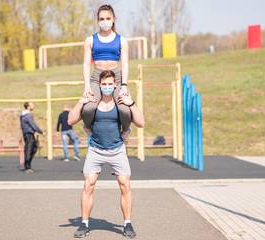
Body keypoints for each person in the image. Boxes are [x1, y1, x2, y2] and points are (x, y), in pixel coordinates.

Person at [68, 70, 145, 239]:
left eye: (111, 84)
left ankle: (127, 224)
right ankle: (84, 224)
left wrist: (131, 103)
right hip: (96, 150)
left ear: (115, 85)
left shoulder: (120, 103)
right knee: (88, 185)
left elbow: (141, 123)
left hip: (117, 150)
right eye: (105, 84)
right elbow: (70, 120)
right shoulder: (93, 103)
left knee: (125, 186)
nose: (108, 87)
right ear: (99, 85)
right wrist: (81, 102)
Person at [81, 4, 132, 140]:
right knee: (88, 108)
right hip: (97, 77)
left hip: (116, 77)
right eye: (101, 19)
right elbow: (86, 64)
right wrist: (87, 86)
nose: (105, 22)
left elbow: (125, 64)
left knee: (125, 110)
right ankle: (87, 127)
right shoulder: (90, 40)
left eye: (107, 18)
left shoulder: (122, 40)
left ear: (113, 19)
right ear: (98, 20)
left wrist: (124, 86)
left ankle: (126, 130)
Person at [20, 102, 46, 173]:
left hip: (29, 133)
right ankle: (27, 167)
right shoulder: (28, 115)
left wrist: (34, 132)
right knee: (29, 149)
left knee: (34, 148)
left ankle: (28, 165)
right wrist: (42, 132)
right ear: (28, 106)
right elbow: (33, 125)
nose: (34, 106)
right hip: (28, 134)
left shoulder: (24, 114)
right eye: (32, 105)